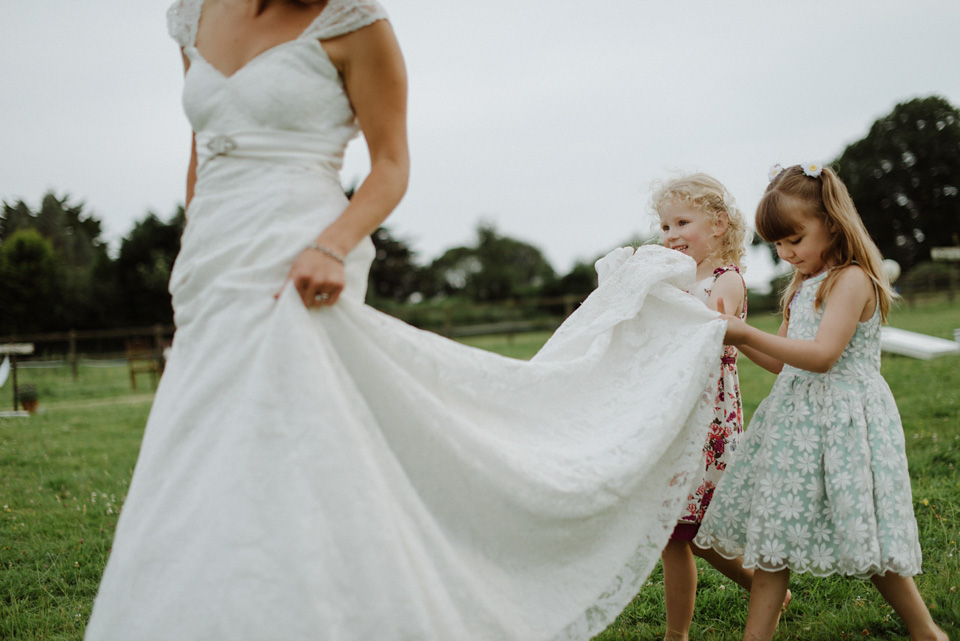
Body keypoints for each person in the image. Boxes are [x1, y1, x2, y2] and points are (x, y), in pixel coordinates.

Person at [83, 1, 729, 639]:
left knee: (289, 431)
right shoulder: (192, 16)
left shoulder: (352, 19)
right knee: (203, 436)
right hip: (213, 260)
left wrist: (331, 243)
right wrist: (194, 251)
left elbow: (392, 164)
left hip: (302, 248)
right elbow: (205, 151)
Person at [695, 164, 948, 641]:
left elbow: (824, 357)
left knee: (861, 532)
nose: (786, 254)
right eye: (777, 245)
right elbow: (782, 363)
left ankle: (925, 631)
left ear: (831, 223)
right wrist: (731, 337)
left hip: (845, 422)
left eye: (794, 239)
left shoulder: (851, 280)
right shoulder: (800, 286)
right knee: (773, 532)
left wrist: (746, 331)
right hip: (796, 422)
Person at [652, 174, 785, 640]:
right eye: (664, 226)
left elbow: (713, 329)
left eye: (681, 222)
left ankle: (764, 588)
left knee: (699, 531)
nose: (669, 235)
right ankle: (676, 634)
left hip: (707, 417)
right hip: (672, 413)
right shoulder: (674, 279)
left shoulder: (725, 280)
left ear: (718, 224)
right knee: (673, 532)